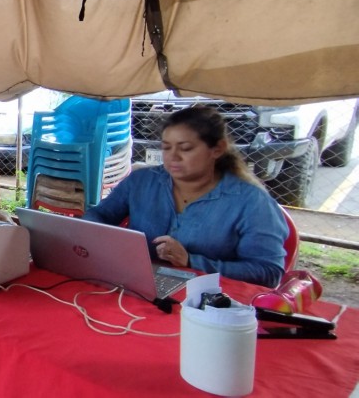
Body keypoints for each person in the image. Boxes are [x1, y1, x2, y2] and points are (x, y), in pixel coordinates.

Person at [83, 106, 288, 288]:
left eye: (186, 148)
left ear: (217, 149)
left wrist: (191, 261)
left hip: (212, 303)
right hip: (135, 285)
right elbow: (100, 215)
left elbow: (268, 273)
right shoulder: (142, 182)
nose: (173, 156)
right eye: (166, 147)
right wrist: (95, 236)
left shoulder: (251, 202)